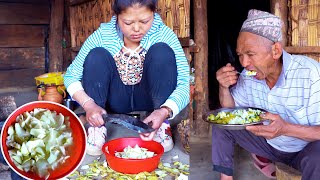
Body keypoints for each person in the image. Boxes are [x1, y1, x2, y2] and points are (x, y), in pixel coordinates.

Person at [64, 0, 190, 156]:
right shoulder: (103, 35)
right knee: (96, 55)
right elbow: (71, 76)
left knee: (162, 52)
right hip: (115, 101)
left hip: (149, 100)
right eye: (128, 22)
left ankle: (160, 126)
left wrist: (165, 111)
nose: (137, 29)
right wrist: (89, 105)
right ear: (117, 16)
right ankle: (97, 127)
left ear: (153, 13)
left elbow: (185, 81)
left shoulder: (164, 34)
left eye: (145, 21)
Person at [214, 9, 320, 180]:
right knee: (220, 121)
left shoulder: (310, 74)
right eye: (240, 55)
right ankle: (225, 177)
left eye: (250, 54)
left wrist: (286, 128)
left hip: (304, 150)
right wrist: (223, 87)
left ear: (276, 51)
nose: (244, 63)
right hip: (268, 145)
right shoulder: (249, 76)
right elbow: (230, 112)